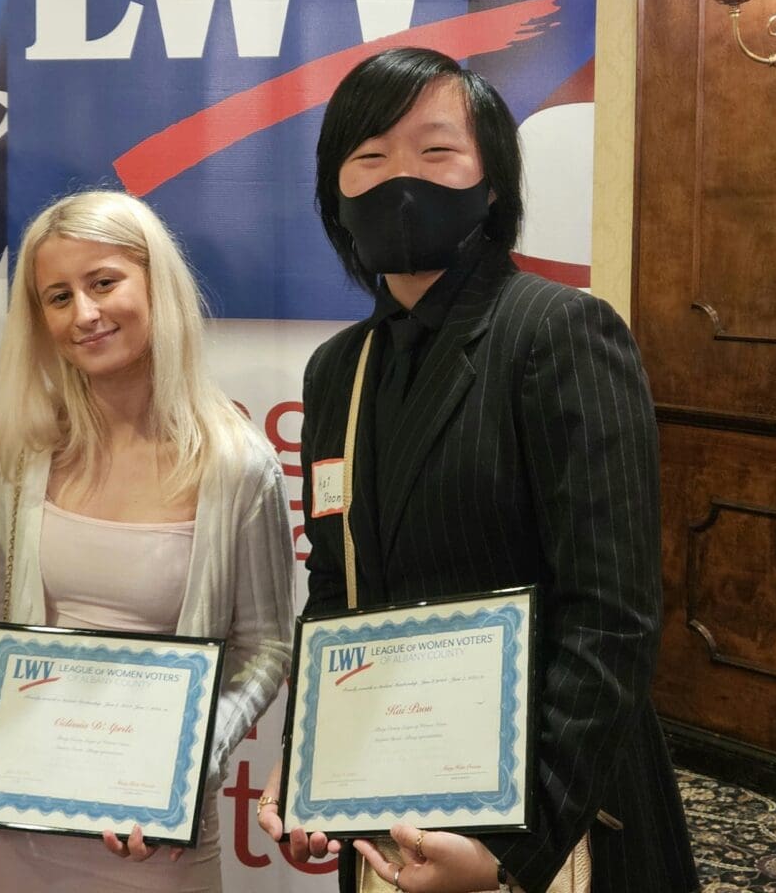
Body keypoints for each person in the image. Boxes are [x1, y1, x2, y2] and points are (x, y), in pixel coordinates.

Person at [257, 49, 697, 893]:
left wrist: (514, 851)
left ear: (491, 183)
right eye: (370, 158)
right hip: (394, 801)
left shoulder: (561, 333)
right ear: (336, 194)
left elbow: (613, 616)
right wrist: (309, 762)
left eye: (436, 151)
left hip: (555, 813)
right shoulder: (336, 371)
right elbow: (339, 591)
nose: (401, 180)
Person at [0, 191, 293, 893]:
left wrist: (192, 763)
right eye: (57, 297)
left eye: (103, 283)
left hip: (152, 842)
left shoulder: (237, 465)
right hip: (13, 822)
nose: (83, 314)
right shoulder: (27, 451)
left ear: (156, 284)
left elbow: (267, 647)